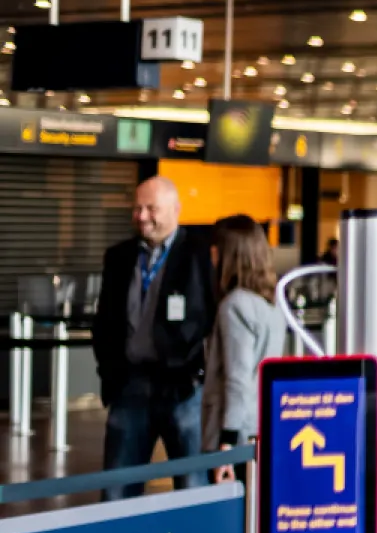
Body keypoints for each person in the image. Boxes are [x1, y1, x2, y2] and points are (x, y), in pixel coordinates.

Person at [94, 175, 217, 486]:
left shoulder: (198, 255)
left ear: (175, 210)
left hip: (181, 389)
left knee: (193, 485)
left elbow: (207, 315)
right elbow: (105, 321)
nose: (142, 217)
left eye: (151, 208)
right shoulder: (118, 257)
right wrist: (109, 373)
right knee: (118, 486)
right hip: (129, 385)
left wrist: (195, 371)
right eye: (137, 209)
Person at [202, 215, 283, 483]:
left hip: (236, 432)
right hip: (263, 424)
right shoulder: (271, 303)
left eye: (216, 246)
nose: (211, 252)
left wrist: (225, 443)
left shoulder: (234, 305)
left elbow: (237, 378)